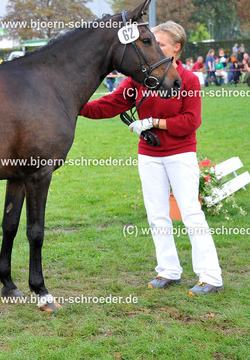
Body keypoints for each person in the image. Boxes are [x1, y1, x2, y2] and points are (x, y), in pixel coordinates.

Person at [80, 21, 223, 296]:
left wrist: (154, 123)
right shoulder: (139, 79)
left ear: (176, 48)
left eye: (162, 44)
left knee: (192, 215)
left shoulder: (189, 80)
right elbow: (110, 105)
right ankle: (168, 271)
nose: (155, 48)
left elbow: (191, 121)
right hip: (149, 154)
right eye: (153, 43)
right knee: (157, 215)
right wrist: (73, 104)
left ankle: (211, 276)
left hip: (180, 154)